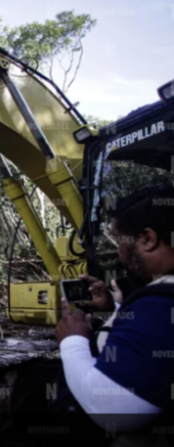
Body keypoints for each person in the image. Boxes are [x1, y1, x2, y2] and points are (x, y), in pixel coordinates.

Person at [56, 186, 174, 441]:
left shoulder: (161, 304)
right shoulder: (158, 302)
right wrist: (117, 311)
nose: (120, 254)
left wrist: (72, 341)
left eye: (120, 241)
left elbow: (113, 411)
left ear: (147, 239)